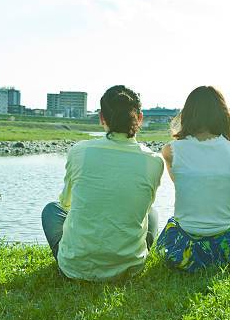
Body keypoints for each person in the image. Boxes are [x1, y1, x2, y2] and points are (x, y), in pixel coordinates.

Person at [41, 85, 164, 281]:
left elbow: (66, 203)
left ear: (101, 117)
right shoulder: (154, 161)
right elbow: (143, 208)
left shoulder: (80, 151)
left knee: (51, 210)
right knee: (153, 213)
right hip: (130, 267)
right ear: (139, 118)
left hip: (76, 268)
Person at [156, 86, 230, 272]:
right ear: (223, 114)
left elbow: (185, 186)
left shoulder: (170, 150)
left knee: (173, 223)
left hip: (187, 247)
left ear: (188, 114)